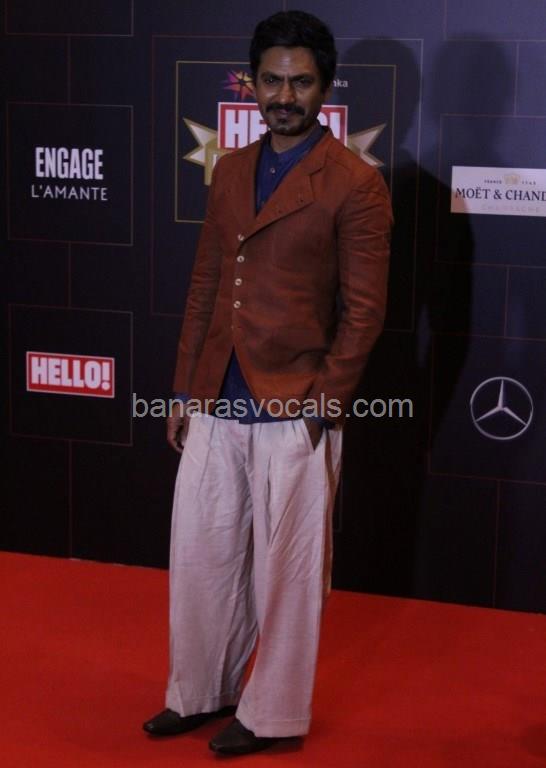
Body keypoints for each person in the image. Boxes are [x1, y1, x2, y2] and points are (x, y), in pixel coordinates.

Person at [143, 9, 392, 756]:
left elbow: (365, 312)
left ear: (325, 87)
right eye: (272, 80)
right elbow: (206, 284)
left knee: (287, 579)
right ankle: (200, 692)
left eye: (301, 82)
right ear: (251, 83)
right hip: (218, 395)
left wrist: (323, 409)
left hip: (295, 406)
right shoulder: (231, 169)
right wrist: (185, 390)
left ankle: (273, 714)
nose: (285, 96)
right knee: (203, 558)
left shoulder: (355, 184)